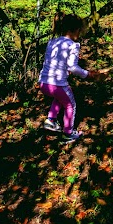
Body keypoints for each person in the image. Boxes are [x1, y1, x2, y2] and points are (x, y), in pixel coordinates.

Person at [39, 13, 99, 142]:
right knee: (70, 105)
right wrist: (87, 74)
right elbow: (73, 67)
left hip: (43, 83)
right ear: (76, 30)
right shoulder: (73, 45)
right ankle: (68, 133)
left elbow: (53, 61)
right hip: (57, 84)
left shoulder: (52, 42)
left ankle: (51, 120)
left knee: (60, 98)